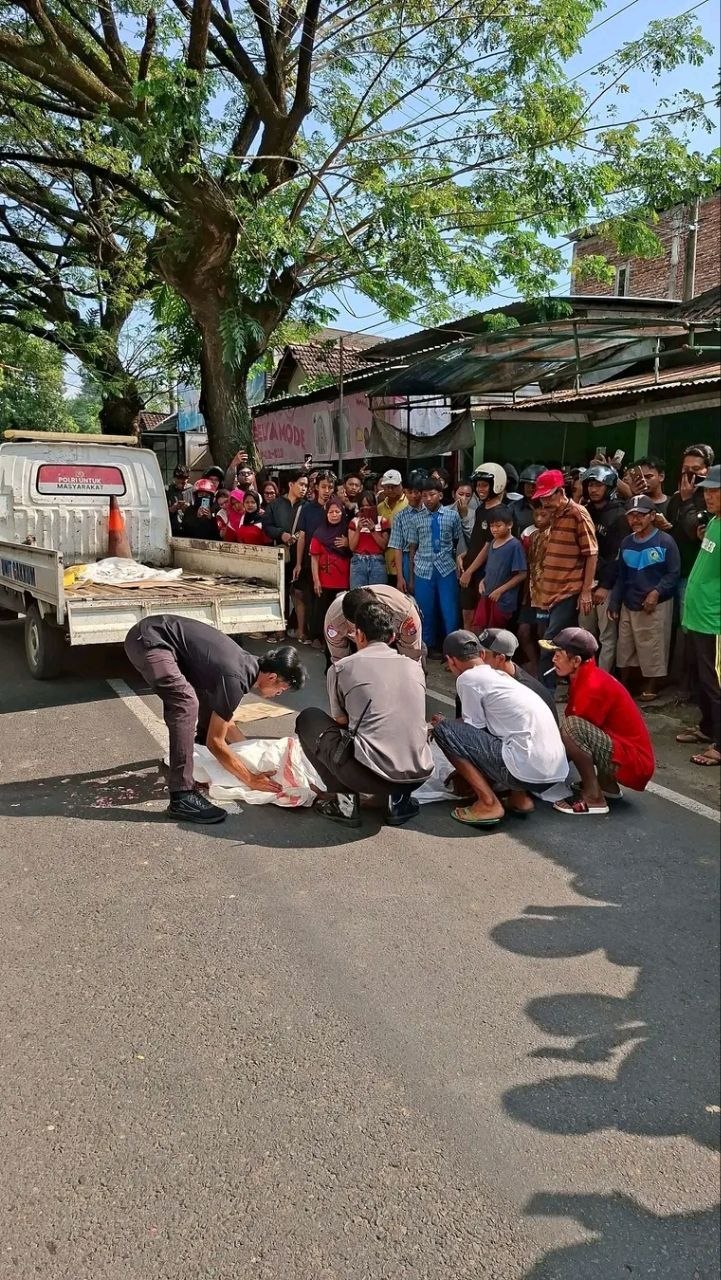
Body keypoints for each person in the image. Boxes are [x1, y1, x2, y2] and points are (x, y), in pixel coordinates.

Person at [124, 617, 306, 823]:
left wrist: (252, 757)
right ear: (272, 677)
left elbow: (225, 720)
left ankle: (197, 748)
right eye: (280, 690)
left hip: (152, 635)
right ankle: (182, 796)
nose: (277, 695)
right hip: (150, 640)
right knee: (185, 702)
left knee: (207, 696)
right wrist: (250, 779)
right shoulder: (236, 678)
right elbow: (217, 741)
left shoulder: (247, 665)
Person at [296, 600, 433, 828]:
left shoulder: (341, 668)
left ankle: (344, 802)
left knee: (309, 718)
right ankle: (397, 802)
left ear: (358, 635)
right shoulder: (414, 666)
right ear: (391, 637)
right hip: (417, 775)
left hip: (366, 776)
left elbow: (341, 721)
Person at [432, 631, 568, 826]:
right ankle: (519, 798)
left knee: (443, 729)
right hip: (554, 773)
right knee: (508, 730)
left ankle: (488, 803)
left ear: (451, 661)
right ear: (481, 655)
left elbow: (473, 729)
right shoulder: (503, 676)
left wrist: (441, 724)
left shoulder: (468, 678)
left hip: (527, 770)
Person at [539, 628, 655, 815]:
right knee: (572, 727)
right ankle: (606, 785)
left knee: (572, 727)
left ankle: (594, 797)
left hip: (633, 761)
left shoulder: (592, 684)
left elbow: (572, 737)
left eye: (558, 655)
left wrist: (541, 771)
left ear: (576, 660)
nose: (554, 659)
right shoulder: (585, 674)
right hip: (627, 751)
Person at [608, 495, 681, 701]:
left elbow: (673, 573)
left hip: (655, 603)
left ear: (651, 516)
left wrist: (657, 592)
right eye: (631, 516)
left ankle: (651, 685)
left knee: (653, 645)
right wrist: (615, 601)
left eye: (640, 515)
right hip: (630, 601)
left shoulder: (666, 541)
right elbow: (622, 575)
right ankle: (624, 686)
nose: (635, 520)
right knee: (626, 645)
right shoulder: (627, 542)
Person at [530, 468, 598, 686]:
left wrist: (586, 590)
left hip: (567, 592)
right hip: (548, 592)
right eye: (542, 498)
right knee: (552, 644)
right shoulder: (554, 515)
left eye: (548, 496)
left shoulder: (578, 514)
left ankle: (545, 693)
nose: (545, 502)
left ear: (561, 491)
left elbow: (591, 553)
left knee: (549, 646)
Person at [679, 464, 721, 766]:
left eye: (716, 491)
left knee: (715, 683)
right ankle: (708, 728)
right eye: (708, 490)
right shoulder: (715, 522)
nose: (709, 496)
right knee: (701, 680)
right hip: (697, 615)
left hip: (713, 619)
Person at [579, 464, 628, 672]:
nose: (594, 489)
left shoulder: (619, 515)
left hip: (605, 584)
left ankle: (603, 678)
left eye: (599, 485)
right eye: (590, 484)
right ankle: (585, 677)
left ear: (609, 486)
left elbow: (618, 556)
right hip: (585, 584)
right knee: (584, 634)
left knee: (607, 635)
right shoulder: (585, 511)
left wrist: (605, 586)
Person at [408, 478, 464, 650]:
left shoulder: (452, 516)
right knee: (425, 611)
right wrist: (411, 577)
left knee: (450, 611)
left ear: (440, 495)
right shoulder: (416, 518)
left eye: (432, 495)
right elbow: (412, 548)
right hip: (423, 570)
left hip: (446, 569)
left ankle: (452, 650)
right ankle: (427, 647)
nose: (428, 499)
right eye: (424, 496)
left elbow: (458, 542)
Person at [459, 463, 508, 629]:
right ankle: (466, 653)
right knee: (467, 614)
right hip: (469, 569)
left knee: (480, 621)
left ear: (496, 485)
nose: (480, 489)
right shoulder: (480, 509)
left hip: (484, 574)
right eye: (478, 485)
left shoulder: (501, 512)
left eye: (485, 485)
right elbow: (477, 539)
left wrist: (470, 571)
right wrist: (465, 554)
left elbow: (489, 546)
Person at [324, 585, 423, 665]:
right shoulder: (335, 620)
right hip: (353, 645)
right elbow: (340, 662)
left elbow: (412, 660)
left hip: (394, 640)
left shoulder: (405, 614)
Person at [261, 468, 309, 632]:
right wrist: (281, 534)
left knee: (298, 593)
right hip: (281, 555)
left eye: (306, 486)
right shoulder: (275, 505)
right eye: (301, 484)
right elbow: (266, 526)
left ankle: (301, 631)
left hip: (301, 558)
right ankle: (279, 629)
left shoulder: (307, 506)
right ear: (291, 484)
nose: (304, 488)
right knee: (279, 592)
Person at [476, 627, 559, 722]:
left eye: (482, 654)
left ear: (500, 659)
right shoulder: (502, 678)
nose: (477, 658)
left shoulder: (524, 690)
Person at [471, 506, 527, 631]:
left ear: (509, 525)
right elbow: (492, 569)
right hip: (487, 595)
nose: (494, 529)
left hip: (502, 599)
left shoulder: (515, 545)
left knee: (496, 635)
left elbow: (522, 574)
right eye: (492, 526)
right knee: (480, 629)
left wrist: (500, 590)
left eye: (498, 526)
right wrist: (482, 581)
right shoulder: (493, 543)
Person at [667, 443, 715, 584]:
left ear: (708, 470)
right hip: (672, 572)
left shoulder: (712, 498)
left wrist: (687, 500)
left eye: (696, 469)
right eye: (686, 469)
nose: (689, 473)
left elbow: (695, 532)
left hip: (695, 574)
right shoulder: (676, 498)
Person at [308, 497, 351, 641]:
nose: (334, 515)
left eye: (337, 511)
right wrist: (316, 580)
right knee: (323, 613)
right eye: (331, 512)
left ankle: (341, 640)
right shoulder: (319, 533)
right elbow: (314, 558)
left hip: (343, 582)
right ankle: (321, 640)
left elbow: (356, 549)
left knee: (341, 613)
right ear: (326, 514)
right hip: (325, 582)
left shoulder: (348, 532)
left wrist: (348, 543)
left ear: (342, 513)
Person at [516, 503, 551, 677]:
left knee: (543, 633)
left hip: (549, 593)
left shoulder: (556, 533)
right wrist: (524, 594)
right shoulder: (528, 533)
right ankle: (536, 666)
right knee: (524, 631)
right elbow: (526, 566)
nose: (541, 511)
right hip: (531, 591)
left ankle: (548, 671)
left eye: (546, 508)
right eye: (538, 508)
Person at [388, 472, 425, 593]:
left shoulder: (430, 513)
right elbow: (397, 548)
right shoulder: (400, 517)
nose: (413, 496)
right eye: (410, 492)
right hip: (406, 558)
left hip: (427, 557)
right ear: (404, 491)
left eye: (417, 492)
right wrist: (400, 577)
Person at [348, 491, 390, 588]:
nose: (366, 508)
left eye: (369, 505)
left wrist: (373, 530)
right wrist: (358, 529)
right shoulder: (354, 522)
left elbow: (384, 545)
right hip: (358, 561)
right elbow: (352, 547)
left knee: (378, 595)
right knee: (357, 596)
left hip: (377, 561)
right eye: (363, 506)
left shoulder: (382, 521)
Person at [377, 468, 409, 579]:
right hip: (385, 562)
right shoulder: (380, 507)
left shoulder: (409, 504)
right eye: (387, 487)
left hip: (404, 560)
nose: (390, 490)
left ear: (401, 486)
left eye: (394, 486)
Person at [512, 464, 546, 534]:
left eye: (534, 485)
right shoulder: (513, 507)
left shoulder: (550, 508)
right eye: (527, 484)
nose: (530, 488)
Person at [166, 465, 193, 536]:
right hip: (173, 529)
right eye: (180, 480)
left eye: (186, 479)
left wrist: (188, 508)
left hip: (189, 530)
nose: (183, 483)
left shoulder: (193, 490)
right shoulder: (168, 490)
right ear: (175, 478)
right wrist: (172, 509)